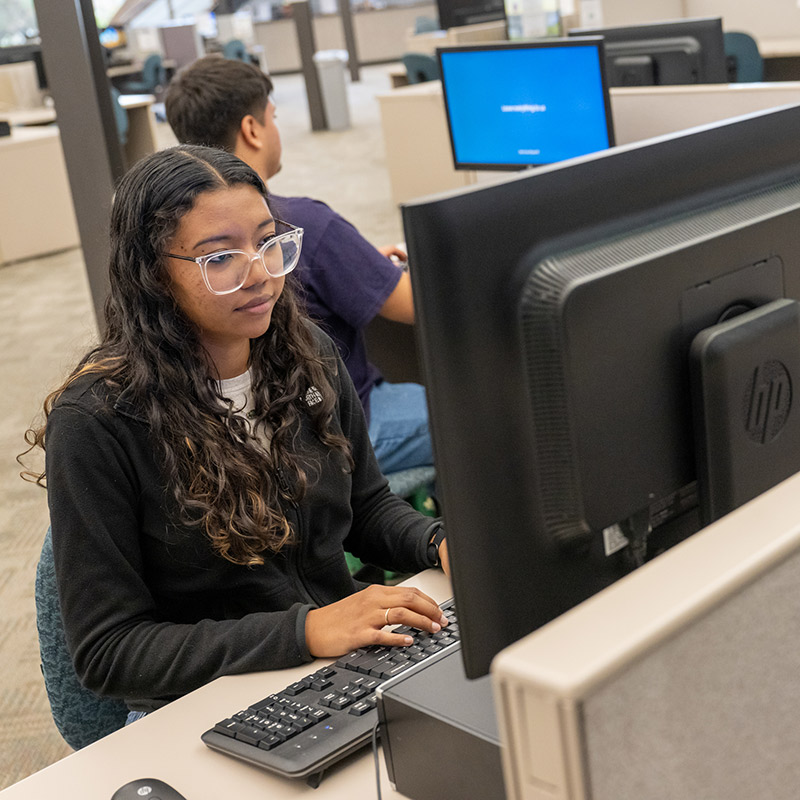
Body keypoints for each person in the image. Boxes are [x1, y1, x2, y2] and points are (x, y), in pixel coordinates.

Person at [21, 145, 448, 715]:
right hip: (204, 705)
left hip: (332, 669)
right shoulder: (100, 420)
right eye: (220, 257)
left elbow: (365, 509)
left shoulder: (306, 354)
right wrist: (305, 632)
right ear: (152, 273)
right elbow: (110, 651)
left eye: (268, 242)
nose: (261, 274)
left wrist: (438, 541)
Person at [164, 55, 433, 477]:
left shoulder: (175, 240)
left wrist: (361, 265)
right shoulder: (305, 224)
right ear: (253, 129)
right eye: (272, 117)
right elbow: (415, 305)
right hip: (341, 422)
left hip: (264, 435)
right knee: (469, 412)